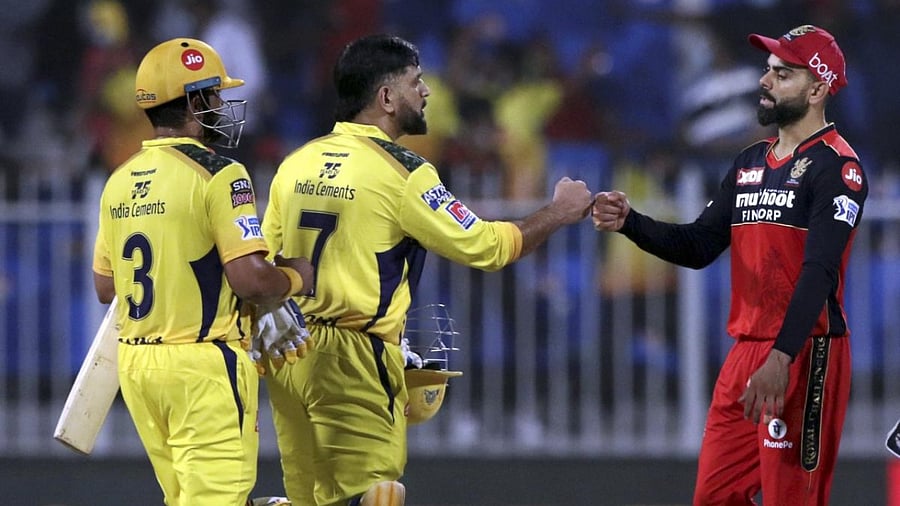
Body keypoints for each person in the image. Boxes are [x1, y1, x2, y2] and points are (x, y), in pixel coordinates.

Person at [260, 34, 593, 506]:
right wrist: (560, 211)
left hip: (289, 349)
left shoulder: (295, 164)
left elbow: (268, 266)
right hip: (355, 356)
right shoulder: (404, 172)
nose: (427, 92)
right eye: (416, 82)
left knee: (311, 498)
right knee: (377, 494)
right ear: (386, 97)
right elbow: (488, 248)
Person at [593, 25, 866, 505]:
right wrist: (629, 222)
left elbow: (820, 272)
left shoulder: (838, 168)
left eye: (783, 73)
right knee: (714, 498)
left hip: (803, 352)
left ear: (818, 88)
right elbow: (698, 246)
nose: (765, 81)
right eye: (768, 70)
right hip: (745, 354)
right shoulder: (748, 163)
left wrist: (781, 358)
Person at [90, 37, 313, 506]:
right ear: (195, 101)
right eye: (215, 95)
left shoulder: (120, 179)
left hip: (138, 366)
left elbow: (107, 287)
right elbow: (250, 280)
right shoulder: (220, 173)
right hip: (202, 366)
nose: (222, 105)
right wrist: (294, 279)